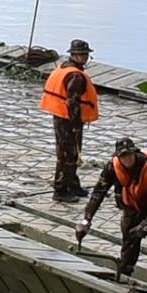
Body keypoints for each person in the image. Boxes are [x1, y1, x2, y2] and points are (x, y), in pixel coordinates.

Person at [76, 136, 147, 293]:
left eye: (129, 155)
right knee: (129, 243)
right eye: (123, 156)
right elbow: (98, 192)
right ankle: (124, 275)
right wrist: (86, 220)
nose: (126, 159)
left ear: (134, 153)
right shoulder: (112, 167)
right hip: (133, 207)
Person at [39, 39, 98, 200]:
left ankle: (72, 184)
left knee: (72, 152)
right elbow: (73, 103)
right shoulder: (75, 76)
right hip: (67, 119)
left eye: (86, 54)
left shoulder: (64, 67)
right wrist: (76, 125)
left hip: (60, 115)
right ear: (73, 55)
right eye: (81, 54)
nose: (84, 57)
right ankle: (60, 190)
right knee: (67, 155)